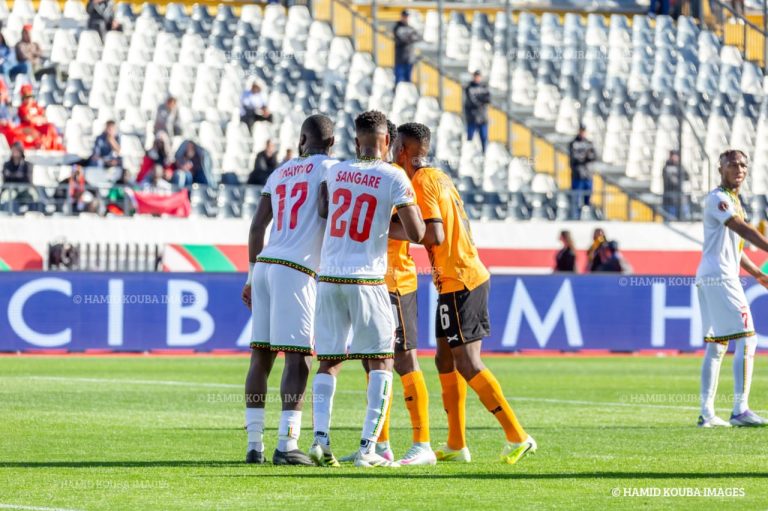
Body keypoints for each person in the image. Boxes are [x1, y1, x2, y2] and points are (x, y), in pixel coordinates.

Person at [392, 122, 536, 465]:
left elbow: (434, 235)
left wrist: (382, 227)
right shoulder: (439, 177)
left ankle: (518, 436)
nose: (393, 152)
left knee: (468, 363)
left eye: (396, 145)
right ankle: (457, 444)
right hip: (456, 278)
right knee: (444, 359)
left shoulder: (421, 181)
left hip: (460, 279)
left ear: (404, 150)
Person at [309, 110, 425, 469]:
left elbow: (324, 209)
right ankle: (368, 448)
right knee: (382, 361)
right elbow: (418, 233)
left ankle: (319, 441)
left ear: (356, 140)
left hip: (329, 277)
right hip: (367, 279)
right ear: (387, 140)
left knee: (329, 361)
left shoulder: (334, 171)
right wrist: (383, 222)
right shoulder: (394, 176)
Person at [240, 114, 339, 466]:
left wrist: (251, 275)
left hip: (265, 264)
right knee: (299, 358)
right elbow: (328, 211)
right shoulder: (331, 169)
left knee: (261, 357)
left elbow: (257, 227)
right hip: (296, 269)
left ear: (301, 140)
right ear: (332, 142)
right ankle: (287, 443)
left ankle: (254, 445)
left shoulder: (280, 172)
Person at [337, 120, 435, 467]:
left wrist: (377, 225)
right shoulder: (370, 176)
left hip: (396, 281)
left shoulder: (395, 178)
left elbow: (419, 231)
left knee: (404, 360)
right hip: (372, 281)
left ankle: (423, 443)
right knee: (372, 362)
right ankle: (380, 444)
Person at [698, 150, 768, 428]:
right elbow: (743, 230)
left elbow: (735, 249)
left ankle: (707, 414)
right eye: (732, 165)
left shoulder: (734, 200)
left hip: (711, 275)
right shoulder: (719, 198)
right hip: (720, 277)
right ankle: (740, 409)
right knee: (748, 338)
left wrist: (758, 274)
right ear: (720, 169)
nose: (738, 169)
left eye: (742, 165)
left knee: (717, 345)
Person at [569, 125, 596, 219]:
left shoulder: (589, 143)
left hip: (588, 175)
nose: (582, 133)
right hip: (577, 176)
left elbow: (593, 156)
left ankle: (587, 217)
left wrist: (584, 156)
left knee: (587, 199)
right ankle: (576, 218)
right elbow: (575, 158)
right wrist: (585, 156)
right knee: (576, 199)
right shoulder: (574, 143)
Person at [463, 71, 491, 152]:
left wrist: (481, 101)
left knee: (484, 137)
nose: (477, 78)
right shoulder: (469, 87)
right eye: (476, 76)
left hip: (482, 117)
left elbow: (488, 99)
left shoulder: (484, 87)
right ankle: (468, 152)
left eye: (478, 76)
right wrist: (481, 101)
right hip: (472, 117)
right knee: (470, 137)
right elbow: (472, 101)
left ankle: (484, 153)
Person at [393, 10, 420, 85]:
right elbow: (402, 39)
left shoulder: (410, 27)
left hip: (409, 58)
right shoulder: (398, 27)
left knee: (408, 80)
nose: (406, 18)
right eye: (404, 16)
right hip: (400, 58)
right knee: (399, 80)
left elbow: (417, 37)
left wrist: (409, 38)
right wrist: (410, 37)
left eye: (407, 16)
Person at [662, 150, 690, 220]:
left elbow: (687, 177)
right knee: (670, 219)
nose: (675, 158)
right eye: (673, 156)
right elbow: (674, 182)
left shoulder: (681, 167)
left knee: (686, 219)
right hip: (670, 200)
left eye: (676, 156)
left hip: (681, 199)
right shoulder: (667, 168)